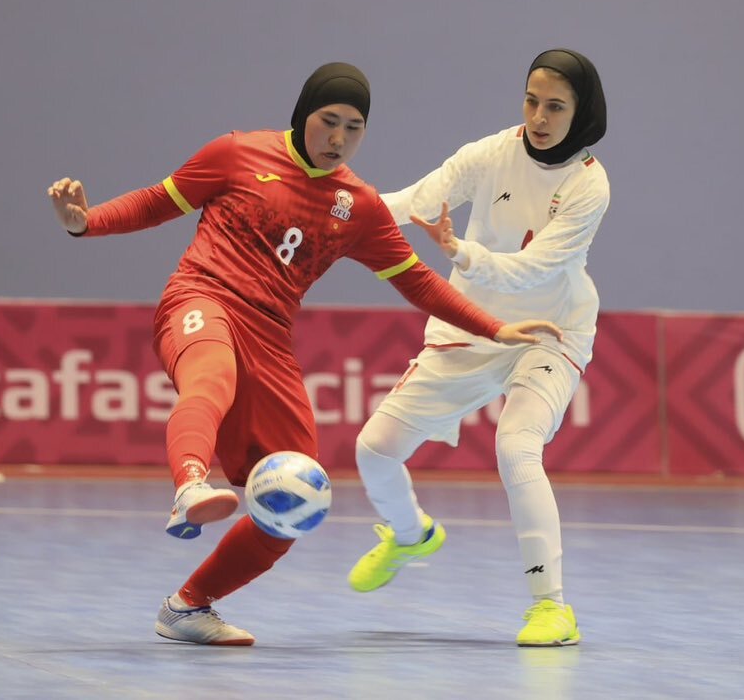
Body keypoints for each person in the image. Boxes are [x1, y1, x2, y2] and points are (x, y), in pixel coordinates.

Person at [48, 62, 562, 646]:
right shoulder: (235, 152)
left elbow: (419, 282)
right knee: (210, 376)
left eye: (354, 127)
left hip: (269, 337)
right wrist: (85, 223)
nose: (339, 138)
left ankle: (188, 608)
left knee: (296, 497)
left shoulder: (358, 206)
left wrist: (495, 328)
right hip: (201, 297)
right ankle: (190, 486)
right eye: (328, 121)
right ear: (303, 116)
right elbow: (154, 203)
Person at [346, 49, 609, 647]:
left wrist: (461, 253)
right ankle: (410, 534)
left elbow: (534, 267)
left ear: (582, 112)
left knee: (517, 445)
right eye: (531, 100)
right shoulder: (490, 153)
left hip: (550, 330)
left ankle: (551, 607)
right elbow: (415, 199)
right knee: (375, 449)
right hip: (472, 325)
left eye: (556, 106)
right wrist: (336, 210)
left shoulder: (589, 185)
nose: (539, 116)